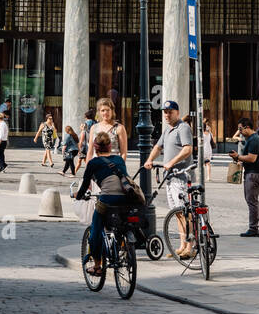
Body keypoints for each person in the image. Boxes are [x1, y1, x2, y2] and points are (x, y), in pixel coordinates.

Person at [75, 131, 132, 276]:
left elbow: (84, 186)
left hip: (107, 200)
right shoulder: (119, 160)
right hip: (126, 199)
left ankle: (97, 265)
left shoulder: (93, 163)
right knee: (121, 222)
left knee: (95, 229)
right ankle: (122, 245)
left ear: (95, 147)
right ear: (110, 146)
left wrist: (78, 196)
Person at [145, 100, 195, 259]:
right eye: (165, 112)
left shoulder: (183, 127)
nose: (167, 115)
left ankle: (190, 246)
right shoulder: (167, 130)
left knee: (186, 213)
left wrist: (171, 163)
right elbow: (158, 147)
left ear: (177, 112)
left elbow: (188, 149)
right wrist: (149, 160)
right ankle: (181, 245)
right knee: (178, 213)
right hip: (170, 178)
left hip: (182, 177)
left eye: (170, 112)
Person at [228, 116, 259, 237]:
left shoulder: (253, 140)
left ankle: (253, 228)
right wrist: (239, 160)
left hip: (255, 173)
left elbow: (252, 158)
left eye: (241, 129)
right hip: (255, 172)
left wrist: (238, 157)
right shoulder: (252, 139)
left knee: (251, 201)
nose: (240, 132)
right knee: (252, 200)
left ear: (247, 127)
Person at [86, 97, 127, 162]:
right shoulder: (93, 128)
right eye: (103, 110)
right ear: (99, 112)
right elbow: (90, 151)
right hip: (96, 166)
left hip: (113, 166)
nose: (105, 113)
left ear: (112, 111)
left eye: (108, 110)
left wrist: (119, 167)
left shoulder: (119, 128)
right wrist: (88, 168)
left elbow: (123, 153)